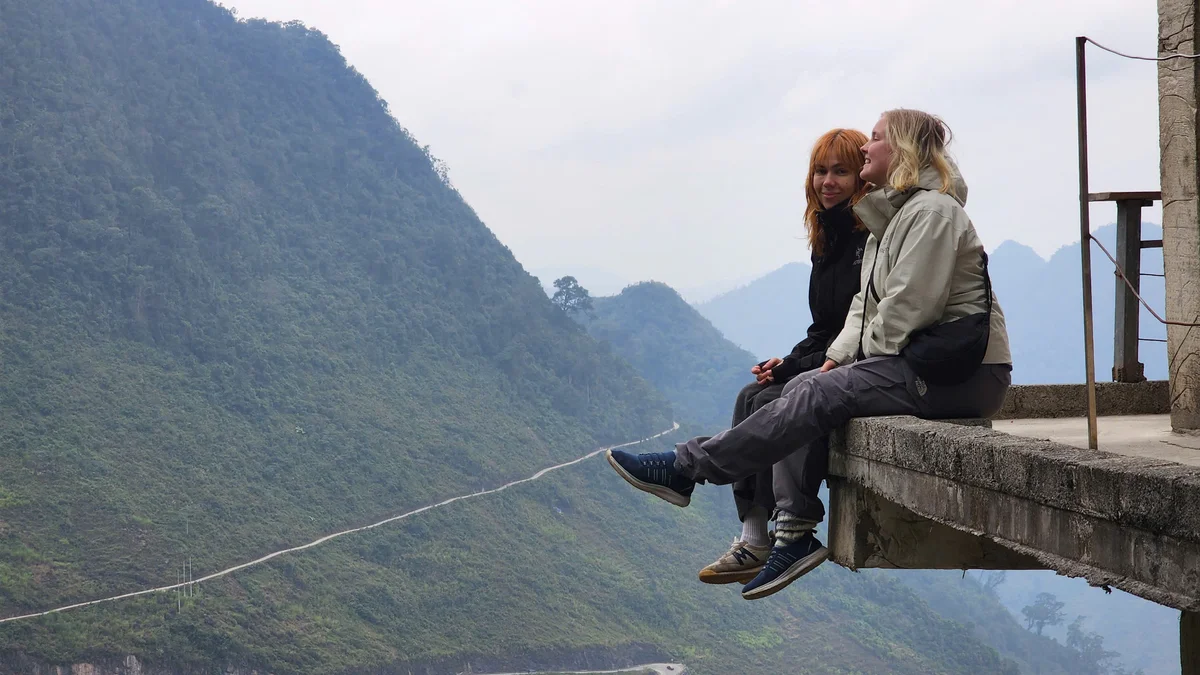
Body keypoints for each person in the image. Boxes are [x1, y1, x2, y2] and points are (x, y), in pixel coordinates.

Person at [607, 108, 1012, 600]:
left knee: (816, 392)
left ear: (902, 150)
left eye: (877, 139)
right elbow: (864, 307)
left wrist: (846, 372)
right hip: (924, 364)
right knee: (805, 385)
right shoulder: (897, 215)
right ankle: (789, 534)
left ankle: (687, 468)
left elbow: (907, 309)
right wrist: (836, 359)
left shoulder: (933, 214)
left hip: (962, 376)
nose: (867, 147)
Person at [698, 129, 869, 586]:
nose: (827, 181)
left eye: (841, 171)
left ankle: (790, 531)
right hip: (830, 352)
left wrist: (796, 368)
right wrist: (787, 360)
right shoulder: (826, 241)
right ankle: (754, 537)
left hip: (858, 361)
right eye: (820, 171)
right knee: (750, 395)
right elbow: (823, 328)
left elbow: (860, 327)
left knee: (778, 399)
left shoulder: (869, 239)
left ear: (862, 179)